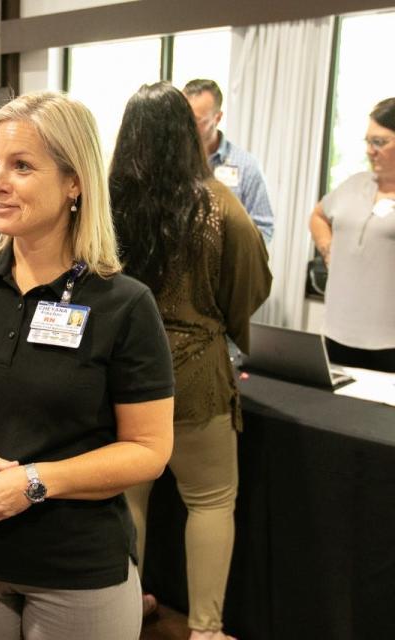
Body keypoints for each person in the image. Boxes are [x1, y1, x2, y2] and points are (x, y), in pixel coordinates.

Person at [0, 91, 175, 640]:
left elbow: (149, 450)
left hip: (75, 571)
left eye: (22, 166)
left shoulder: (123, 304)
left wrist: (33, 483)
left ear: (74, 182)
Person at [110, 82, 272, 640]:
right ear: (188, 134)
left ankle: (123, 610)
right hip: (196, 374)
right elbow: (249, 287)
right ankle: (206, 630)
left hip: (122, 373)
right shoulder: (219, 205)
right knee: (210, 501)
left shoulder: (106, 206)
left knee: (126, 495)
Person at [309, 97, 395, 373]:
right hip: (337, 334)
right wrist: (328, 249)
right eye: (368, 142)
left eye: (380, 142)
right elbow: (318, 216)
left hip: (387, 344)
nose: (371, 151)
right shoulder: (353, 184)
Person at [183, 78, 275, 243]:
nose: (187, 126)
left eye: (196, 120)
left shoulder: (246, 166)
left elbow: (264, 228)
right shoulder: (175, 162)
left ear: (217, 118)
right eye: (184, 118)